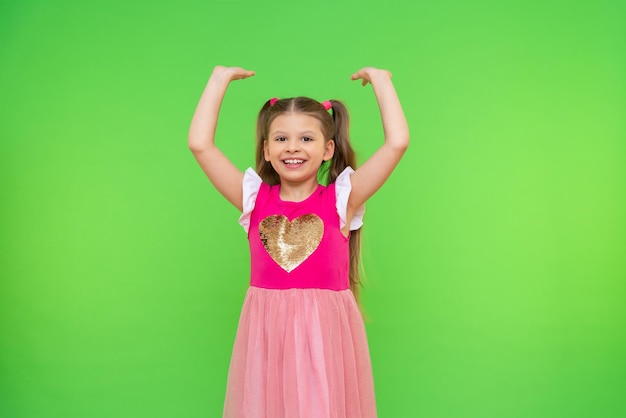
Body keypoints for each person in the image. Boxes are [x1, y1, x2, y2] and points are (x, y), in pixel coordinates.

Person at [188, 65, 409, 418]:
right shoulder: (254, 199)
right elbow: (200, 144)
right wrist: (218, 80)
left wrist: (382, 83)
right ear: (266, 150)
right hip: (267, 336)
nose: (293, 148)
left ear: (327, 149)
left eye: (306, 138)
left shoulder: (342, 199)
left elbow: (397, 143)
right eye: (281, 139)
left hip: (323, 336)